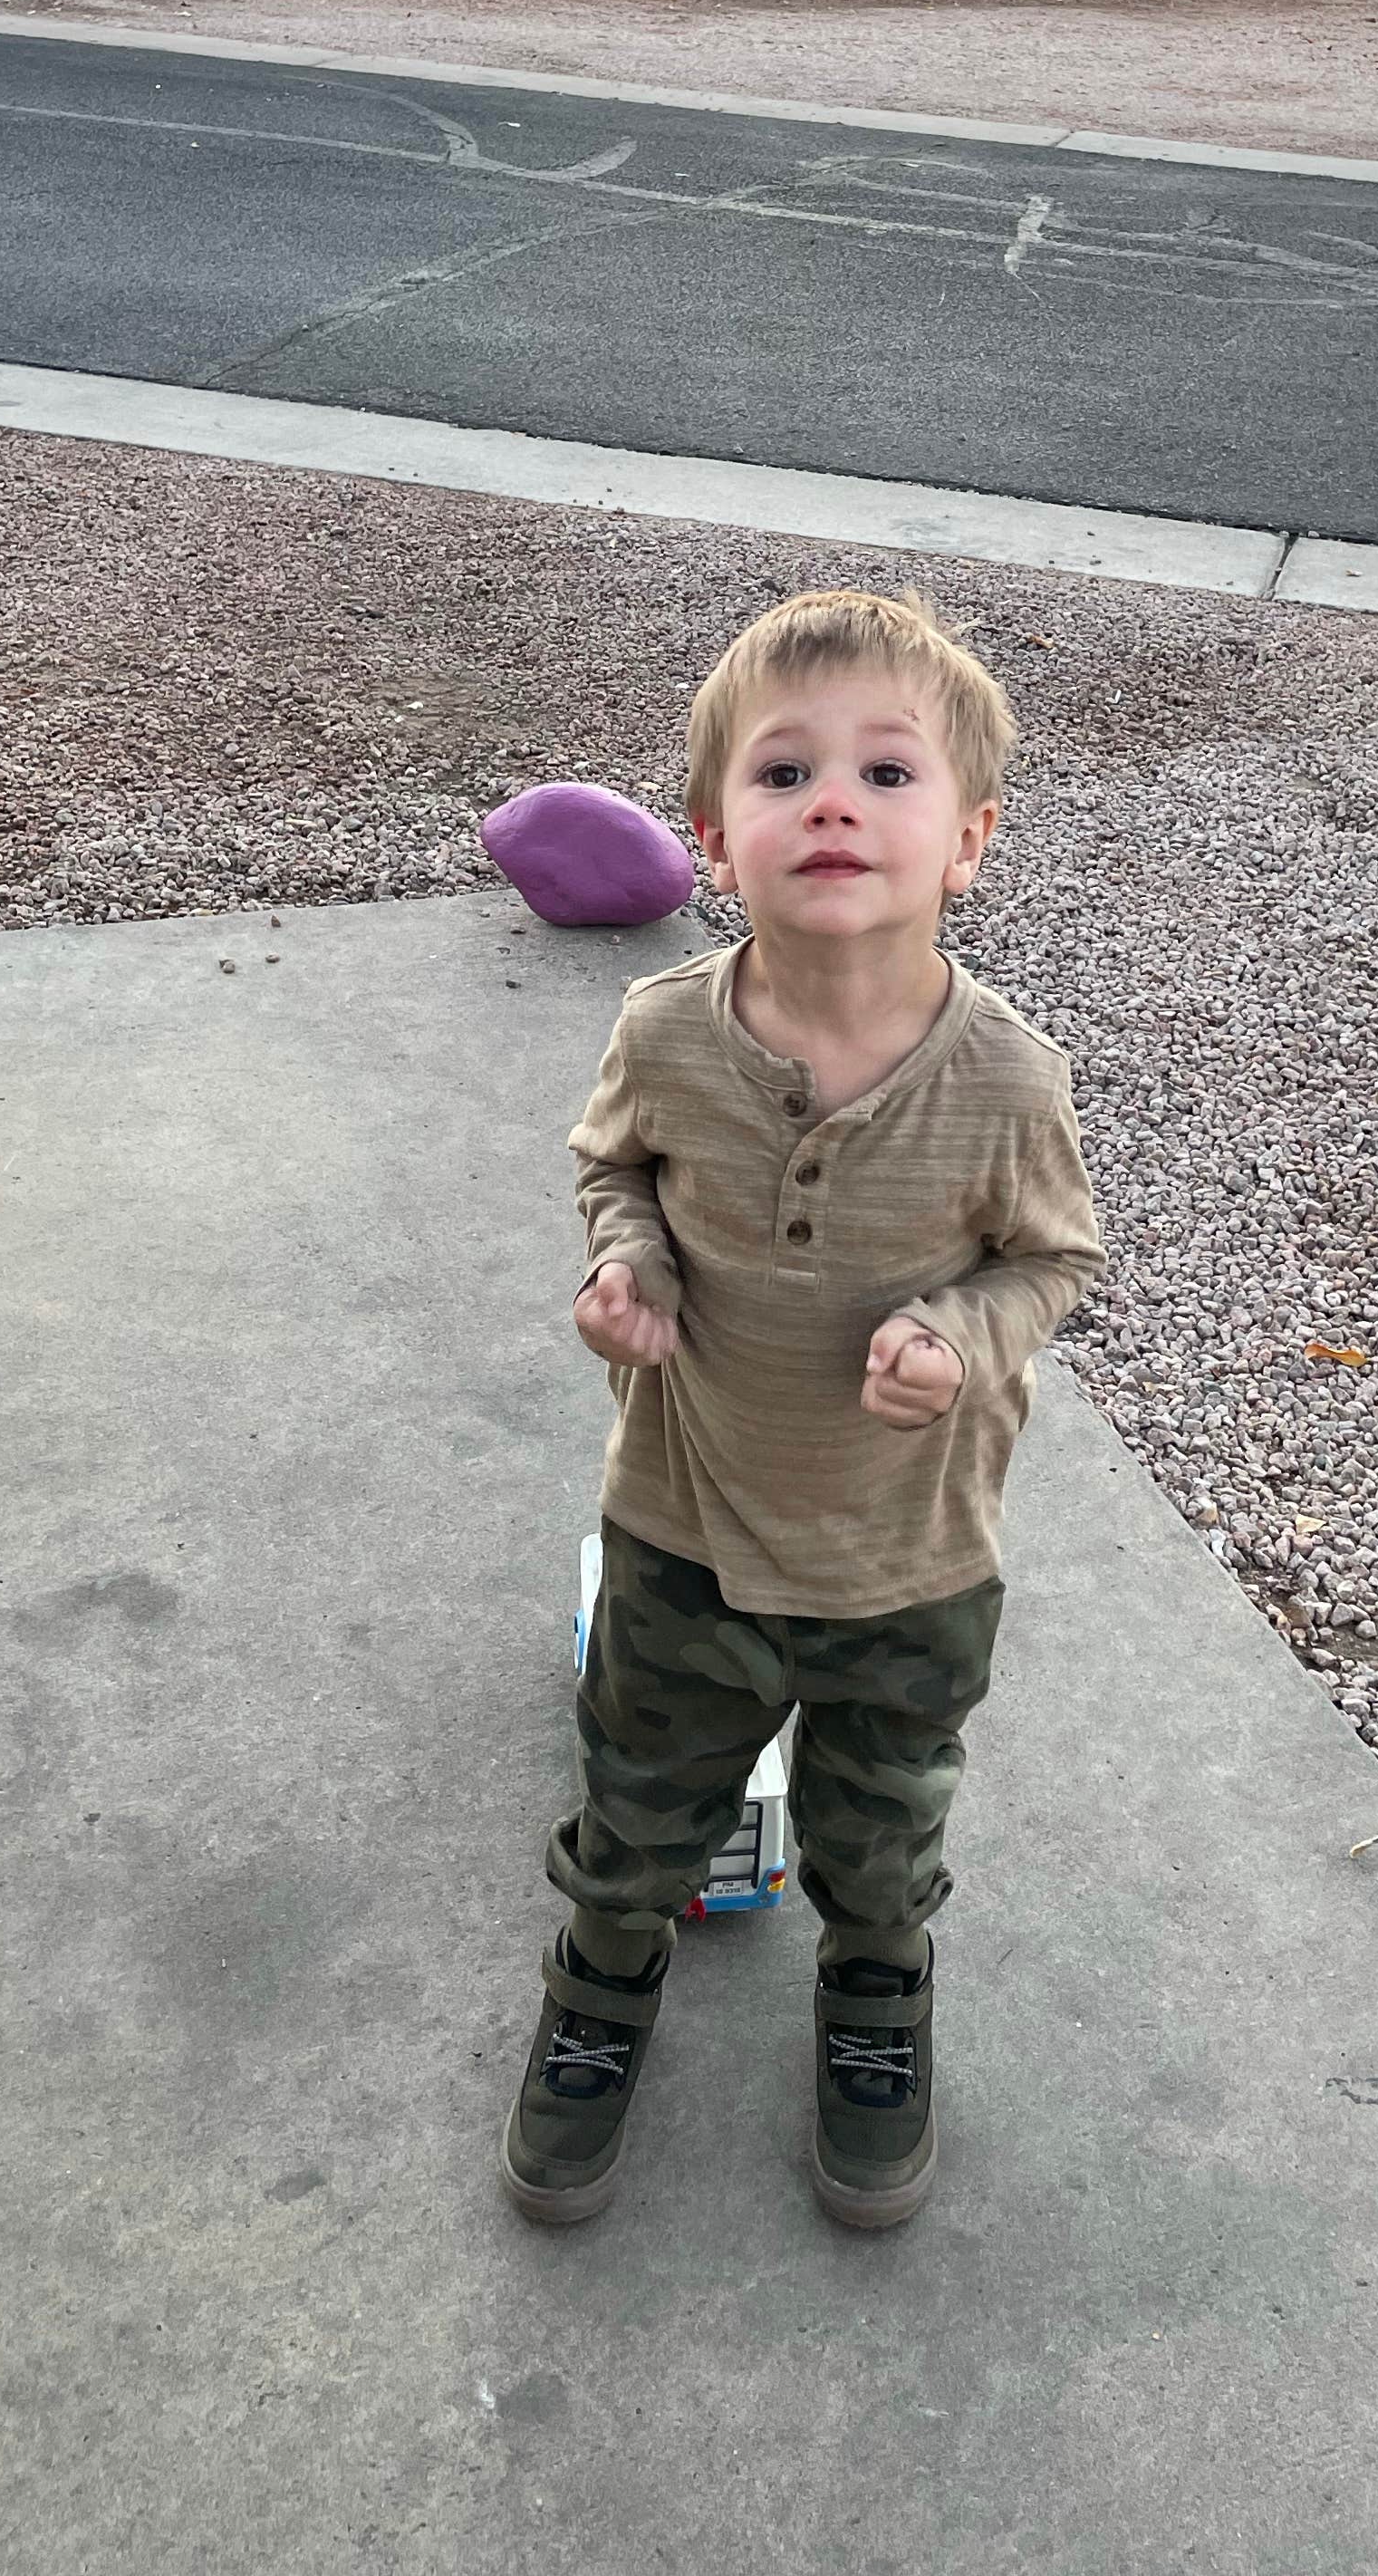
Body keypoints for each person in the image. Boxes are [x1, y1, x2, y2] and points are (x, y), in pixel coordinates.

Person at [501, 587, 1103, 2233]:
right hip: (685, 1526)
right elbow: (611, 1166)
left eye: (888, 774)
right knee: (638, 1802)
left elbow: (1054, 1264)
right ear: (712, 835)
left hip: (907, 1559)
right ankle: (601, 1985)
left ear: (968, 839)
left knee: (883, 1828)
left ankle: (878, 1996)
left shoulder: (1005, 1081)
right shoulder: (665, 1034)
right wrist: (628, 1265)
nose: (833, 801)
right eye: (785, 774)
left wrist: (962, 1333)